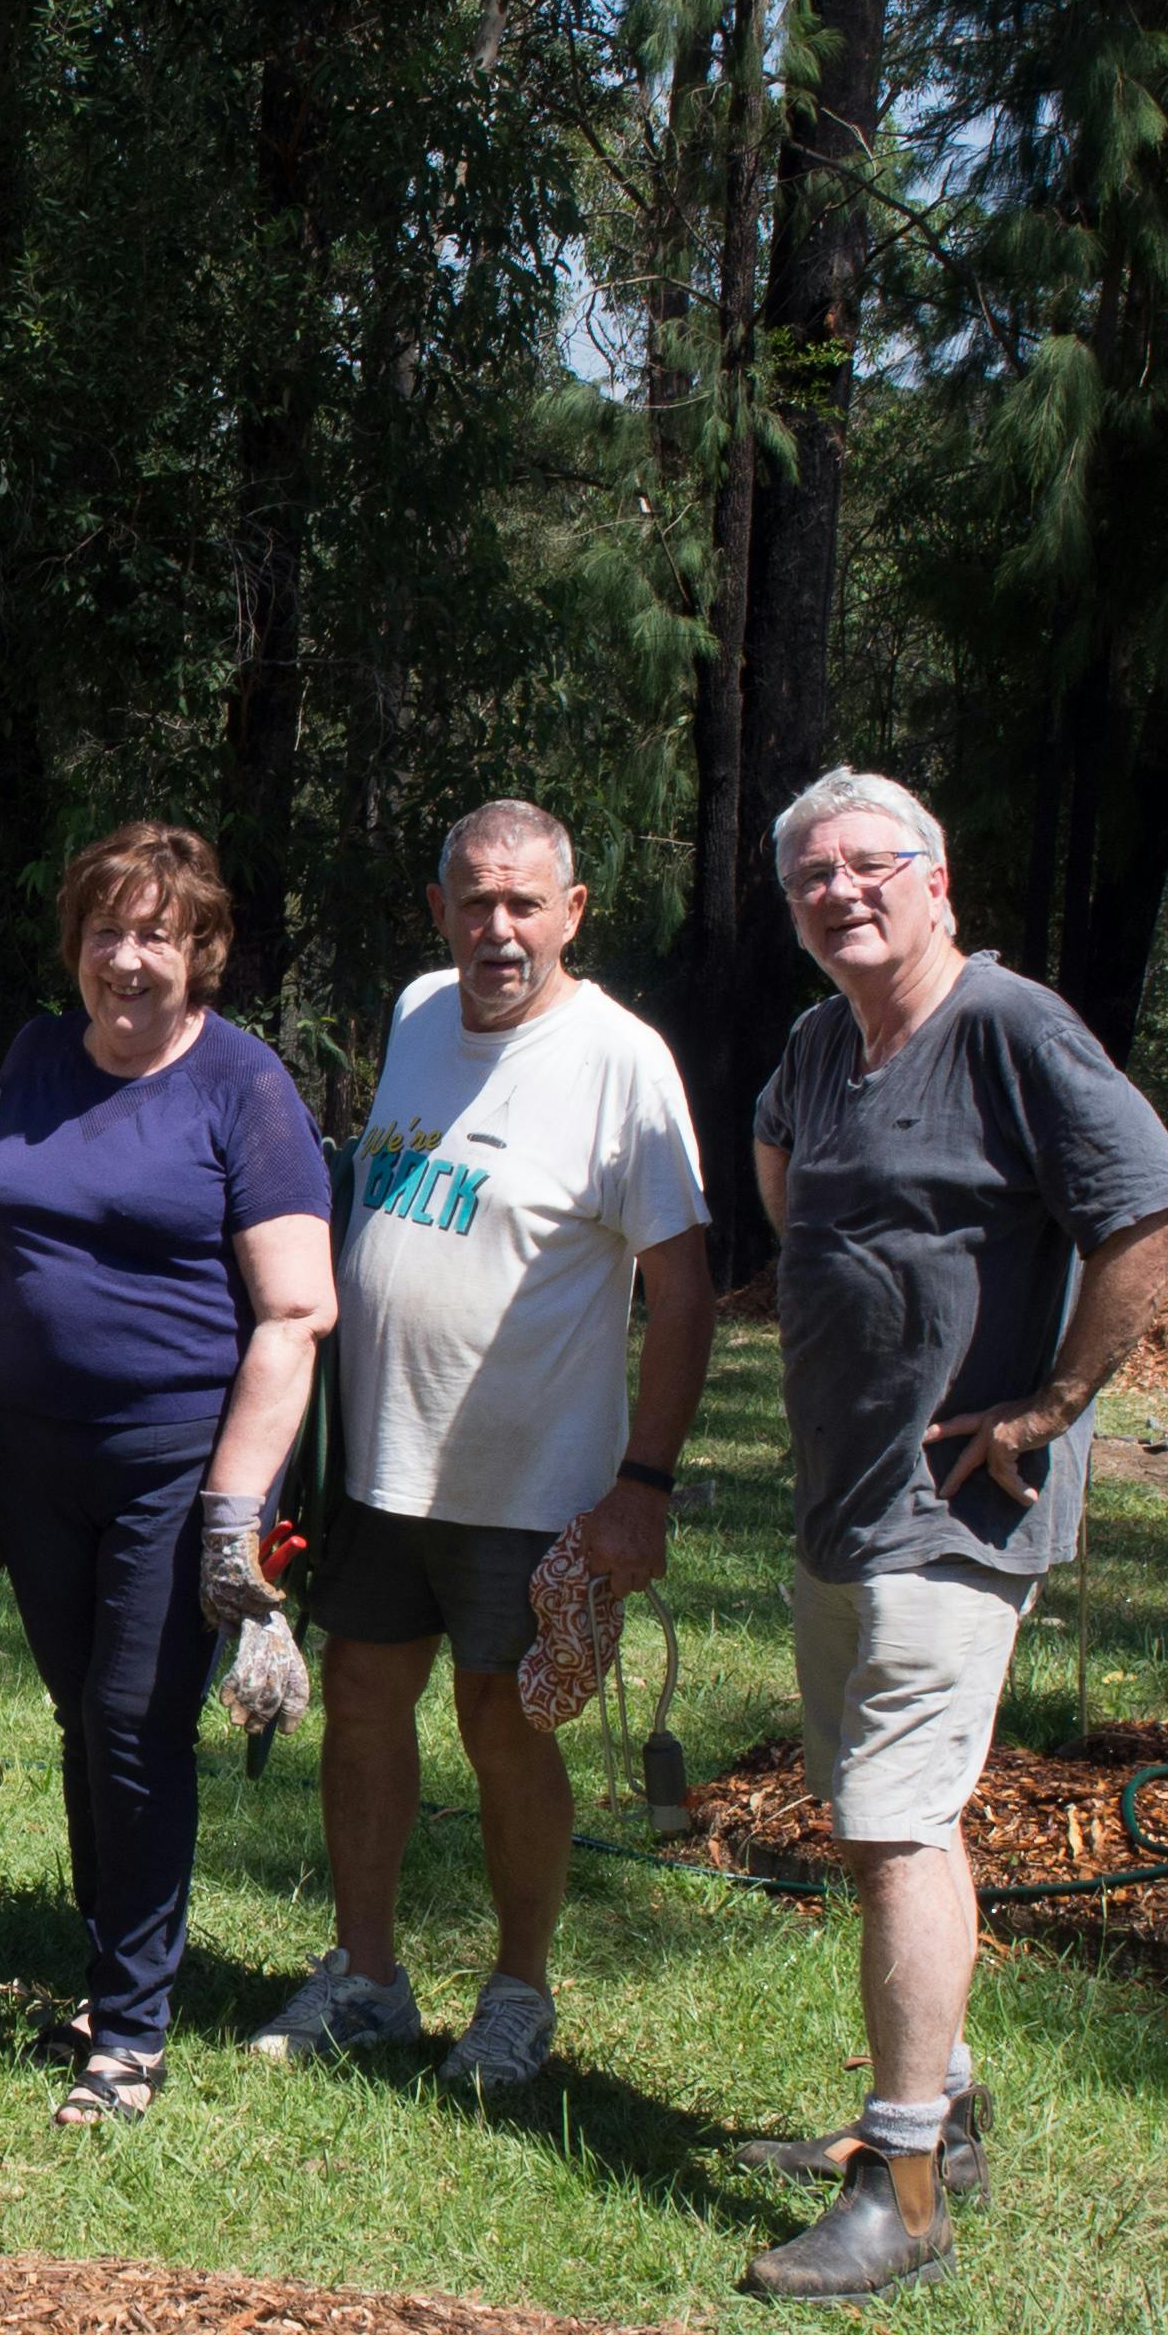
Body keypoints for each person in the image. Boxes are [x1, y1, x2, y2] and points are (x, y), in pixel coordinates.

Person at [740, 767, 1168, 2301]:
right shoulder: (820, 1042)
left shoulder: (1010, 1025)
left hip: (955, 1504)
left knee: (894, 1822)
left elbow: (1149, 1204)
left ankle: (906, 2186)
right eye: (813, 874)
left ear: (940, 884)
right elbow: (783, 1166)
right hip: (843, 1497)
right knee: (874, 1804)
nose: (842, 891)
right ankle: (951, 2105)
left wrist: (1059, 1393)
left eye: (874, 866)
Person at [277, 801, 712, 2095]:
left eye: (525, 903)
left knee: (503, 1725)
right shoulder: (419, 1014)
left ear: (573, 912)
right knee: (360, 1701)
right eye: (475, 901)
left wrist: (642, 1489)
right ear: (440, 912)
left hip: (532, 1483)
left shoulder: (621, 1063)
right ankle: (367, 1978)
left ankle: (518, 1996)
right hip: (378, 1463)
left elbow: (683, 1292)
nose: (498, 928)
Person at [0, 824, 337, 2125]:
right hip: (33, 1458)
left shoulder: (244, 1087)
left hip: (176, 1469)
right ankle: (111, 1964)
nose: (128, 958)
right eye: (105, 932)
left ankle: (130, 2029)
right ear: (75, 945)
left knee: (136, 1723)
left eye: (157, 935)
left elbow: (295, 1315)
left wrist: (234, 1510)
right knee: (85, 1718)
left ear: (203, 953)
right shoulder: (33, 1060)